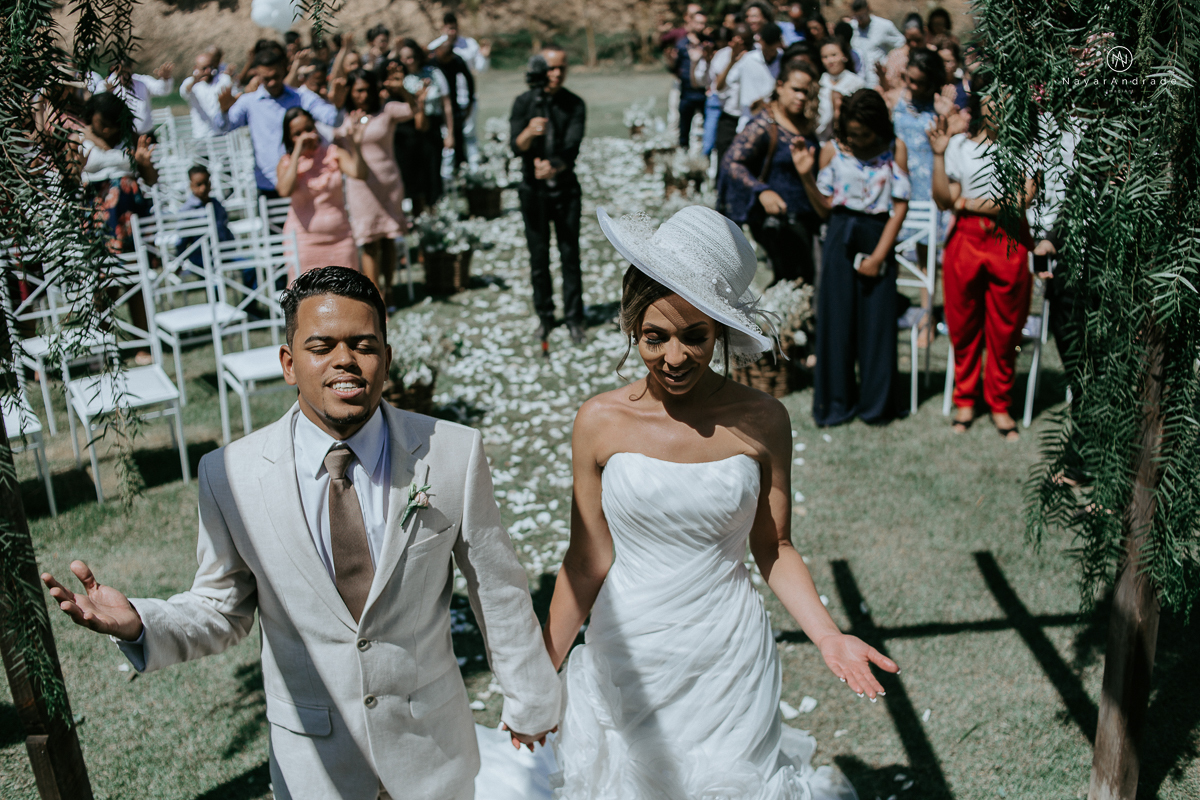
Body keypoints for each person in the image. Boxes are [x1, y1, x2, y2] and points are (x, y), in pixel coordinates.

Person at [42, 266, 562, 800]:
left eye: (364, 344)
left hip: (432, 752)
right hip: (314, 764)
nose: (346, 360)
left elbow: (497, 588)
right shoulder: (230, 475)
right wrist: (139, 623)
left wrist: (531, 701)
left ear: (386, 355)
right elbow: (222, 608)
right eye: (322, 346)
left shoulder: (452, 452)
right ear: (289, 363)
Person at [522, 204, 894, 798]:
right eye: (654, 337)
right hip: (631, 655)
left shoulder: (763, 419)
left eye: (694, 337)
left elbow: (775, 547)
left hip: (729, 655)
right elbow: (586, 560)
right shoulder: (598, 421)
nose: (674, 357)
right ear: (630, 328)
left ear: (719, 331)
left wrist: (828, 635)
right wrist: (538, 673)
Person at [929, 83, 1036, 441]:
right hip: (967, 241)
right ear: (980, 106)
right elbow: (946, 200)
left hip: (1009, 239)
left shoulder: (1027, 146)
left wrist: (970, 203)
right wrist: (939, 156)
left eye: (1007, 98)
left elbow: (1023, 199)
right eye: (993, 100)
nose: (1000, 106)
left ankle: (1001, 403)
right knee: (963, 323)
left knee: (1006, 326)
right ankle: (965, 398)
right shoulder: (959, 147)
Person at [797, 89, 910, 425]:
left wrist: (878, 257)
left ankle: (877, 406)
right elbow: (825, 208)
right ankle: (835, 404)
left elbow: (900, 206)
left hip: (878, 234)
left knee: (877, 325)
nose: (858, 140)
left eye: (865, 133)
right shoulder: (832, 150)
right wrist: (805, 176)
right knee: (836, 323)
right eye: (852, 133)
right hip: (839, 234)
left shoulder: (894, 149)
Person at [720, 59, 823, 286]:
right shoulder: (764, 124)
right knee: (790, 281)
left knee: (807, 281)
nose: (801, 97)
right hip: (778, 222)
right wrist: (761, 191)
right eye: (795, 90)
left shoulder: (803, 124)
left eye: (806, 92)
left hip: (807, 219)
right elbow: (731, 162)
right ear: (780, 86)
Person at [510, 45, 587, 345]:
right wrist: (529, 132)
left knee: (569, 255)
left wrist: (554, 167)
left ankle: (574, 318)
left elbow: (572, 146)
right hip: (533, 193)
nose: (556, 74)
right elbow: (516, 145)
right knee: (538, 258)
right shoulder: (524, 102)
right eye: (550, 68)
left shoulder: (574, 104)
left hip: (565, 191)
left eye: (561, 68)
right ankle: (545, 316)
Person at [883, 49, 956, 346]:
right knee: (892, 253)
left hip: (927, 190)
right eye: (908, 79)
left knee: (927, 260)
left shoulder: (941, 108)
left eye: (919, 83)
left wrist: (946, 113)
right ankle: (889, 313)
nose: (912, 86)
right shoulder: (895, 100)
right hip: (897, 186)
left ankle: (926, 317)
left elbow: (951, 143)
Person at [77, 92, 156, 364]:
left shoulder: (130, 138)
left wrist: (144, 163)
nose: (107, 129)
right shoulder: (78, 137)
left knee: (136, 280)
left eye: (111, 123)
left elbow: (151, 178)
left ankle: (143, 344)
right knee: (103, 282)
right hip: (99, 220)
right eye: (101, 124)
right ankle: (105, 346)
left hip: (129, 220)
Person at [216, 45, 343, 198]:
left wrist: (338, 105)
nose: (271, 82)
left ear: (284, 70)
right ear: (257, 75)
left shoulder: (301, 97)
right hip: (269, 183)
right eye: (266, 78)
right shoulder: (249, 102)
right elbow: (224, 128)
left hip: (305, 179)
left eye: (275, 76)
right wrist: (223, 111)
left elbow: (333, 119)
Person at [342, 68, 414, 300]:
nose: (362, 95)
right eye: (357, 91)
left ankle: (390, 288)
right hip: (361, 185)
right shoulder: (343, 115)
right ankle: (376, 297)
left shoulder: (387, 110)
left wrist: (402, 90)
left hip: (388, 181)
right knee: (370, 241)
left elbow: (414, 109)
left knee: (389, 237)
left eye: (366, 90)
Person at [276, 108, 366, 279]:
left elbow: (360, 174)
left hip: (340, 238)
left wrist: (356, 145)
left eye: (309, 129)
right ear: (289, 137)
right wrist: (297, 154)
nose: (306, 136)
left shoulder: (333, 153)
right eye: (298, 133)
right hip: (303, 242)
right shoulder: (286, 163)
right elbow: (284, 190)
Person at [429, 12, 492, 169]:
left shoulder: (469, 45)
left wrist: (484, 57)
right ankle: (451, 169)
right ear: (443, 28)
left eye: (454, 28)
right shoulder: (436, 47)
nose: (452, 31)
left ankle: (473, 168)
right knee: (449, 134)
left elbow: (480, 69)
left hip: (467, 96)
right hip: (446, 98)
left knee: (469, 133)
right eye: (449, 28)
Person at [396, 39, 451, 212]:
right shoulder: (400, 79)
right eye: (405, 58)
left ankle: (434, 208)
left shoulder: (433, 73)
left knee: (433, 169)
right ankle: (417, 212)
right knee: (414, 173)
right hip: (409, 131)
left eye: (412, 57)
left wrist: (450, 133)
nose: (409, 61)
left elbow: (446, 104)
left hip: (432, 127)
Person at [87, 59, 174, 136]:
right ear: (114, 70)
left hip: (146, 134)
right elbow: (96, 105)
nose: (124, 77)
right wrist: (108, 93)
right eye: (121, 73)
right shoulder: (106, 85)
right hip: (121, 136)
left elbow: (162, 90)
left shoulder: (142, 81)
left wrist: (165, 79)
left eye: (127, 73)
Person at [431, 38, 476, 177]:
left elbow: (469, 79)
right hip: (437, 106)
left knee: (458, 139)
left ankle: (461, 171)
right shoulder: (432, 63)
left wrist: (470, 102)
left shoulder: (456, 60)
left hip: (454, 103)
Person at [728, 22, 785, 128]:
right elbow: (729, 80)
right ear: (761, 42)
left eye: (772, 50)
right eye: (766, 50)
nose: (768, 55)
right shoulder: (748, 59)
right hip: (748, 118)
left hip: (774, 120)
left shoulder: (783, 61)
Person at [180, 165, 234, 270]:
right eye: (198, 184)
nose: (203, 188)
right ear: (191, 186)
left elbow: (225, 228)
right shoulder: (187, 210)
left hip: (225, 252)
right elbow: (181, 241)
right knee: (214, 280)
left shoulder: (216, 204)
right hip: (201, 258)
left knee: (250, 268)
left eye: (206, 183)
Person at [816, 36, 864, 142]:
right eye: (825, 57)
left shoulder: (856, 83)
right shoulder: (819, 83)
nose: (830, 60)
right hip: (821, 139)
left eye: (834, 55)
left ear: (844, 56)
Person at [848, 0, 905, 89]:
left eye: (862, 16)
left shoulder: (884, 26)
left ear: (868, 9)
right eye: (857, 17)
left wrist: (890, 61)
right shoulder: (851, 28)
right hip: (857, 82)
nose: (860, 20)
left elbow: (902, 44)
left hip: (878, 81)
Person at [675, 10, 709, 148]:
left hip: (704, 92)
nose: (700, 26)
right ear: (691, 22)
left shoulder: (708, 43)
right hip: (687, 92)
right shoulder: (682, 43)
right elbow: (676, 66)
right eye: (698, 23)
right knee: (684, 128)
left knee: (707, 128)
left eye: (703, 24)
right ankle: (683, 156)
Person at [179, 51, 232, 139]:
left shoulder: (223, 79)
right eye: (204, 68)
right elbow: (184, 92)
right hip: (202, 134)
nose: (208, 71)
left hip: (223, 132)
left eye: (210, 67)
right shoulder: (190, 83)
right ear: (196, 68)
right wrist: (195, 81)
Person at [882, 14, 937, 91]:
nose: (913, 44)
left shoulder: (934, 54)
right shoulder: (896, 56)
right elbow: (889, 83)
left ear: (925, 32)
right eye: (909, 41)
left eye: (917, 40)